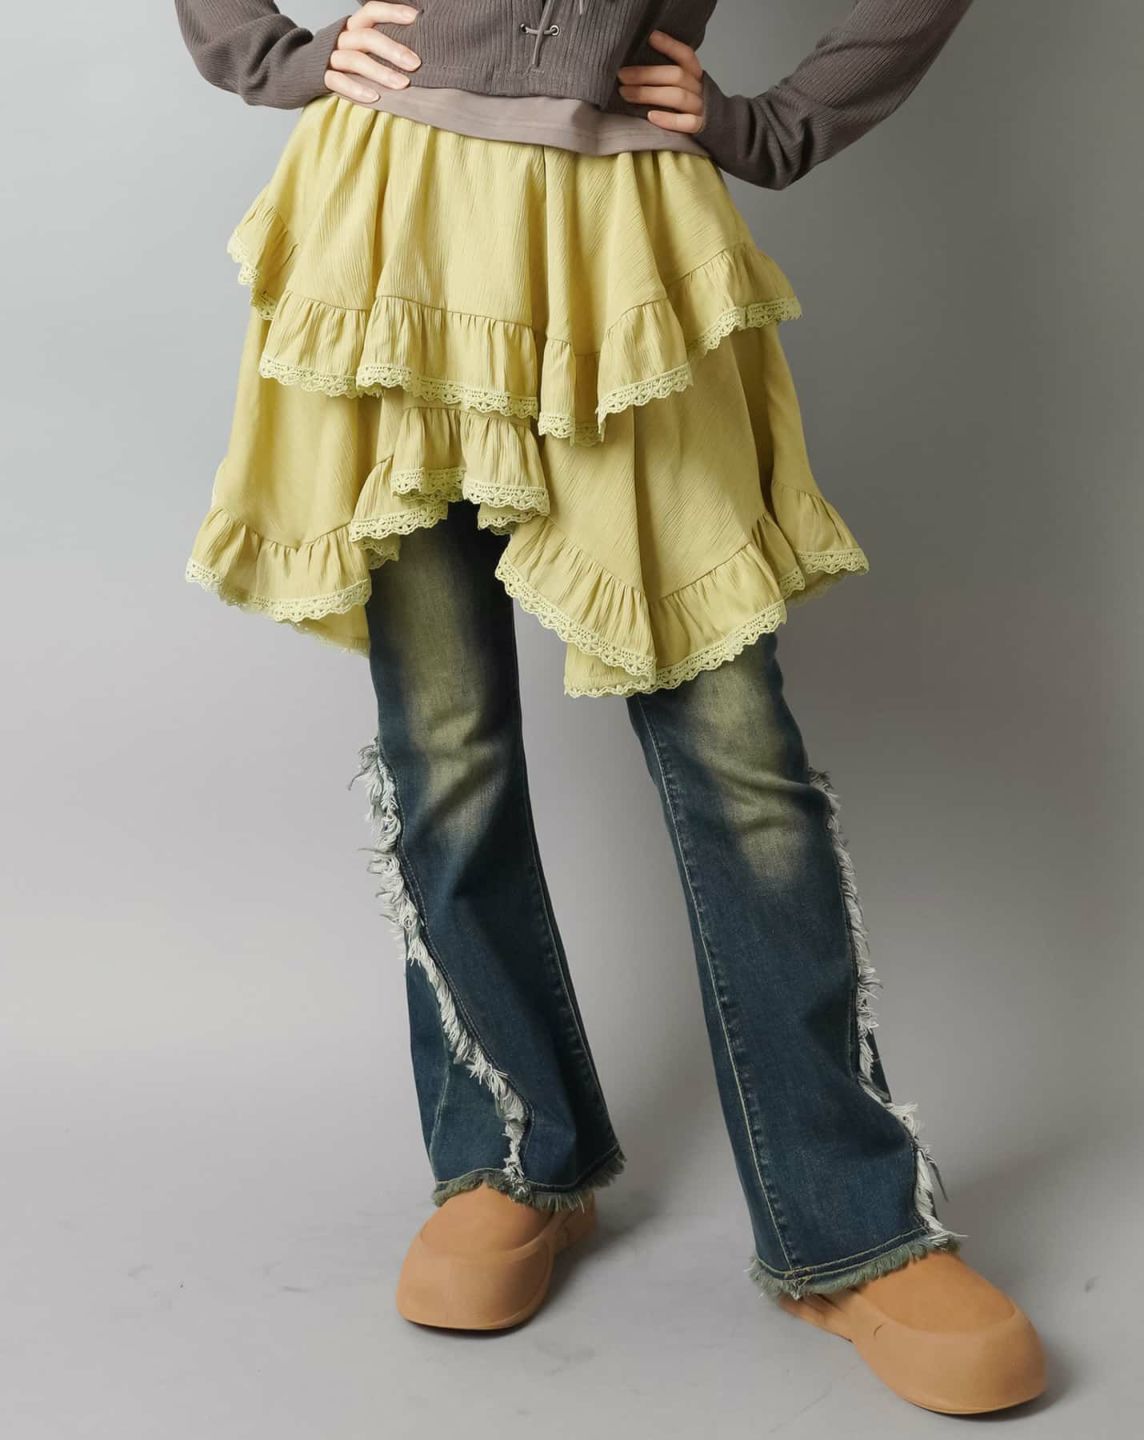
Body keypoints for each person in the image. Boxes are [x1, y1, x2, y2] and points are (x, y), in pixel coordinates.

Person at [173, 1, 1046, 1414]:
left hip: (622, 233)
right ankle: (511, 1154)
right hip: (389, 215)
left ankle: (847, 1224)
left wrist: (781, 123)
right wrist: (270, 51)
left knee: (739, 760)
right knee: (445, 744)